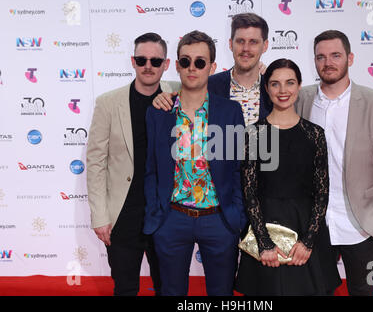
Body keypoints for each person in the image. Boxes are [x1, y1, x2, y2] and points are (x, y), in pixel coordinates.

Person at [295, 30, 373, 296]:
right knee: (315, 291)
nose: (327, 62)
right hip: (315, 223)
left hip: (363, 224)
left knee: (363, 291)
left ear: (350, 58)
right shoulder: (300, 98)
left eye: (335, 55)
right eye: (320, 57)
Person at [143, 30, 246, 296]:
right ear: (176, 65)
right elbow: (151, 169)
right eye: (185, 61)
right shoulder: (159, 111)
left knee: (221, 293)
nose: (192, 68)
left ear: (212, 67)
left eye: (200, 62)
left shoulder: (230, 111)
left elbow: (237, 168)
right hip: (172, 218)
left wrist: (235, 213)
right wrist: (158, 212)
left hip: (219, 219)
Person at [235, 59, 341, 295]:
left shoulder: (315, 134)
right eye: (275, 84)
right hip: (265, 227)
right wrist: (264, 243)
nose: (283, 91)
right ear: (267, 88)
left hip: (306, 230)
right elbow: (249, 192)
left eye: (289, 83)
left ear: (299, 86)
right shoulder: (254, 133)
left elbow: (322, 191)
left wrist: (308, 241)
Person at [86, 32, 179, 296]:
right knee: (125, 287)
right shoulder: (108, 103)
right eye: (141, 59)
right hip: (123, 213)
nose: (148, 65)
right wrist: (100, 216)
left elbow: (214, 80)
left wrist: (261, 72)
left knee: (168, 287)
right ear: (133, 61)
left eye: (155, 60)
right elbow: (95, 162)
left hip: (167, 212)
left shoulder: (180, 95)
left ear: (166, 64)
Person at [153, 12, 272, 126]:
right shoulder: (206, 85)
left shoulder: (275, 90)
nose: (246, 48)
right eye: (240, 41)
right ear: (230, 44)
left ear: (265, 46)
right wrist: (162, 98)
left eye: (253, 42)